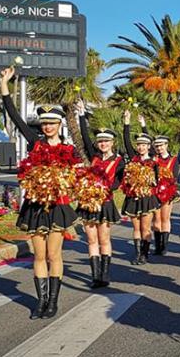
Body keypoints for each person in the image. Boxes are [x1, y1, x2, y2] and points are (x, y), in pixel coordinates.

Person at [0, 66, 79, 319]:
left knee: (54, 254)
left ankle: (53, 302)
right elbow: (15, 117)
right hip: (34, 207)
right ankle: (41, 302)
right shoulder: (35, 143)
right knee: (39, 255)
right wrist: (4, 86)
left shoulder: (70, 150)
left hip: (57, 207)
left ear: (59, 124)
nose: (47, 127)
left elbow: (77, 178)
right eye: (44, 123)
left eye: (52, 123)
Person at [76, 101, 124, 288]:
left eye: (106, 141)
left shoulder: (119, 161)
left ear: (112, 143)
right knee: (91, 239)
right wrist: (81, 116)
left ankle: (104, 273)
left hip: (104, 203)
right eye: (101, 141)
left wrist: (107, 187)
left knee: (104, 238)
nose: (103, 144)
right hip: (88, 203)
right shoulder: (94, 156)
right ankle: (95, 275)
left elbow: (120, 181)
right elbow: (85, 139)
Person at [122, 111, 161, 265]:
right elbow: (126, 142)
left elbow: (156, 181)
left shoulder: (153, 162)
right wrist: (127, 122)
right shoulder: (133, 158)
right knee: (136, 227)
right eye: (139, 145)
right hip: (133, 197)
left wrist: (144, 125)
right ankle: (137, 254)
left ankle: (145, 254)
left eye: (144, 145)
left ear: (148, 146)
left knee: (146, 228)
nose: (141, 147)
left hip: (147, 198)